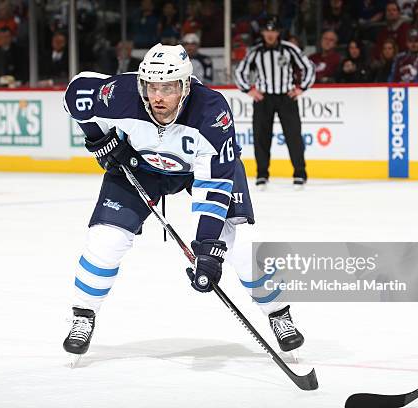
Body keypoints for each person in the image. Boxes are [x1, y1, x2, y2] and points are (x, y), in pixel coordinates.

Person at [62, 43, 305, 360]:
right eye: (151, 87)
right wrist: (99, 137)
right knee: (106, 240)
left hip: (196, 171)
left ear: (185, 85)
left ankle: (277, 312)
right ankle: (83, 315)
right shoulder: (119, 94)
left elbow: (214, 186)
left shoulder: (211, 112)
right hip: (138, 165)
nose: (158, 96)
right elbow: (76, 94)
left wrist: (207, 248)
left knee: (238, 241)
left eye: (167, 87)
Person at [236, 16, 315, 190]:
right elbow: (240, 71)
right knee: (261, 136)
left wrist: (301, 88)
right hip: (264, 98)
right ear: (263, 33)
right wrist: (249, 90)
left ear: (278, 32)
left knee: (293, 135)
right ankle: (262, 175)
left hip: (286, 97)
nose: (270, 34)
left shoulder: (289, 49)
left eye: (273, 31)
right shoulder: (255, 51)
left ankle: (300, 174)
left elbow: (309, 67)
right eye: (267, 31)